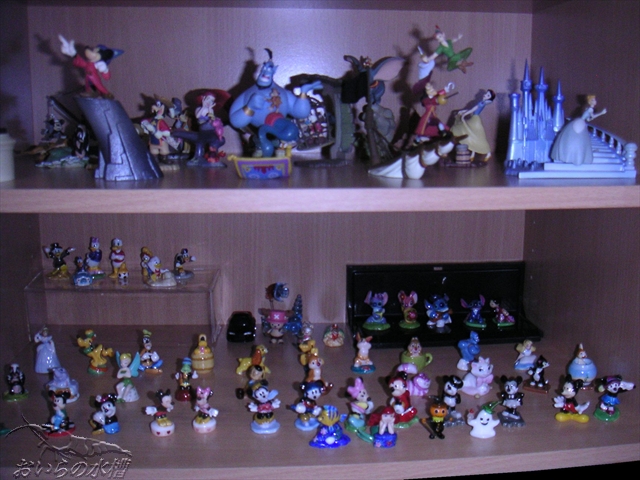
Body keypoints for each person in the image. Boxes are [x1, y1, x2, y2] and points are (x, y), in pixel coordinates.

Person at [550, 95, 606, 165]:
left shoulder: (588, 108)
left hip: (579, 122)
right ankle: (576, 157)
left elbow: (589, 119)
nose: (595, 101)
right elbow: (592, 117)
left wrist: (600, 113)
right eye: (593, 100)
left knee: (578, 139)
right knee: (579, 139)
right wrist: (601, 113)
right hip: (580, 123)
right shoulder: (590, 109)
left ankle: (572, 156)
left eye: (594, 100)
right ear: (589, 102)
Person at [451, 89, 496, 160]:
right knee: (473, 136)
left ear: (489, 98)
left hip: (475, 120)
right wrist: (463, 111)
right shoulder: (482, 102)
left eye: (488, 95)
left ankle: (488, 153)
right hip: (474, 118)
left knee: (476, 136)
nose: (485, 95)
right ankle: (473, 154)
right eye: (486, 94)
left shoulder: (482, 103)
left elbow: (473, 109)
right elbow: (472, 110)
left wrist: (464, 114)